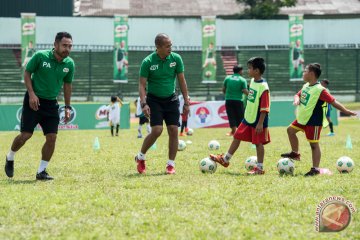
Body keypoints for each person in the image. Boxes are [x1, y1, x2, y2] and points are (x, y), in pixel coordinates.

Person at [5, 32, 75, 180]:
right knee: (26, 135)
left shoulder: (69, 64)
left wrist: (68, 107)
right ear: (55, 45)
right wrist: (31, 94)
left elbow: (67, 85)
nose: (67, 49)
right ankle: (10, 156)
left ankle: (41, 172)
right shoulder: (40, 56)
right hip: (34, 100)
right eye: (64, 45)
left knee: (52, 137)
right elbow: (27, 73)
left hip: (51, 104)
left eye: (70, 46)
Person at [281, 63, 357, 176]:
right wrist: (297, 99)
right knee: (290, 130)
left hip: (313, 122)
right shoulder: (306, 85)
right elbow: (297, 94)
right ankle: (295, 153)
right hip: (302, 119)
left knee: (314, 145)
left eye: (305, 71)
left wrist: (345, 111)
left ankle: (315, 169)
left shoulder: (320, 90)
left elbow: (333, 101)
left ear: (311, 74)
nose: (303, 73)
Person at [135, 33, 190, 174]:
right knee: (157, 130)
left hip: (171, 99)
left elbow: (182, 80)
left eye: (171, 45)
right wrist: (144, 103)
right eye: (167, 46)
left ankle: (170, 165)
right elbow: (141, 85)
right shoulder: (148, 62)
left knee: (173, 130)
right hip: (154, 100)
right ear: (158, 47)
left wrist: (186, 101)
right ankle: (141, 157)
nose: (170, 48)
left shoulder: (176, 59)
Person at [210, 57, 270, 175]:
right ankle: (225, 159)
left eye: (250, 68)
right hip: (248, 118)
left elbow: (265, 107)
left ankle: (260, 168)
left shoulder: (264, 87)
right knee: (237, 136)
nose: (248, 71)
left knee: (258, 143)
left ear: (257, 71)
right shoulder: (252, 81)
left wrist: (260, 123)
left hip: (258, 120)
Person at [223, 65, 249, 136]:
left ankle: (233, 131)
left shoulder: (227, 78)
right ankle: (242, 131)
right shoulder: (242, 80)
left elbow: (224, 89)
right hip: (238, 100)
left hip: (228, 100)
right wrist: (251, 96)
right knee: (240, 116)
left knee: (231, 115)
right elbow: (244, 90)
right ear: (240, 71)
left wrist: (227, 95)